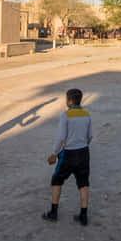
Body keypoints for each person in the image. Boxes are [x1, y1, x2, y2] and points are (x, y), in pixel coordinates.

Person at [44, 88, 93, 226]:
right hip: (84, 152)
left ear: (70, 101)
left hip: (69, 153)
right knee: (83, 183)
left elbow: (60, 138)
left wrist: (54, 153)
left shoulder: (66, 115)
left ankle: (53, 212)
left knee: (56, 180)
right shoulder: (86, 114)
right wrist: (83, 144)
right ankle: (83, 215)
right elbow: (90, 136)